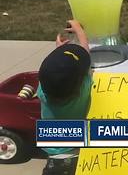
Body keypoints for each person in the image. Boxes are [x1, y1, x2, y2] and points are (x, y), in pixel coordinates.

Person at [37, 20, 91, 175]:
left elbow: (56, 74)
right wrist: (80, 31)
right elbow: (86, 57)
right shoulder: (84, 90)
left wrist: (60, 53)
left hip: (53, 153)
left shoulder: (42, 91)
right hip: (77, 151)